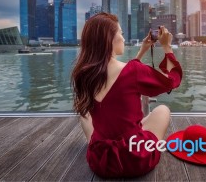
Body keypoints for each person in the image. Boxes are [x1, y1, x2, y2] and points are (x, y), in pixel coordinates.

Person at [71, 12, 182, 178]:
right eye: (121, 33)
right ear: (110, 38)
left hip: (101, 162)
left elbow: (125, 75)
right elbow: (173, 80)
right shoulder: (134, 72)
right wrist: (167, 47)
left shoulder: (84, 74)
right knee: (163, 110)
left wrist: (143, 50)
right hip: (135, 159)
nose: (123, 38)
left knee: (85, 114)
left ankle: (97, 143)